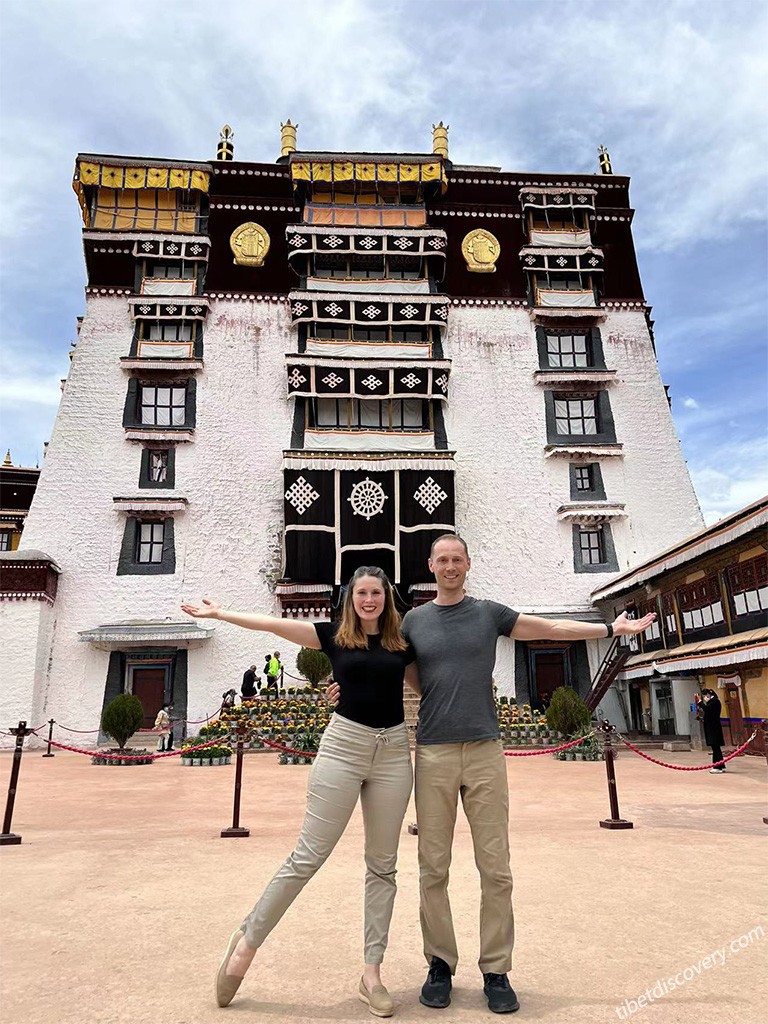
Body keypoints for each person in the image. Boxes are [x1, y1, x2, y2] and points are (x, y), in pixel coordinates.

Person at [331, 534, 655, 1014]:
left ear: (467, 563)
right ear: (431, 565)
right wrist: (343, 687)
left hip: (485, 749)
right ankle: (439, 963)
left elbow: (548, 627)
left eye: (457, 559)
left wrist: (609, 630)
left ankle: (496, 969)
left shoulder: (489, 614)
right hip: (436, 751)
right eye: (442, 560)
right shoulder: (415, 621)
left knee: (495, 867)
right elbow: (377, 657)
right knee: (432, 867)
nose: (449, 566)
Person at [181, 565, 417, 1018]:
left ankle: (372, 974)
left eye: (377, 593)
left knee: (383, 866)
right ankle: (246, 943)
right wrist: (221, 614)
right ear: (350, 597)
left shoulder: (401, 644)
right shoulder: (331, 636)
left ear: (387, 598)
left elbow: (428, 686)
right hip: (344, 746)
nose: (369, 600)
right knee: (308, 855)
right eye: (362, 593)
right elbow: (274, 624)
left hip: (392, 754)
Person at [699, 688, 726, 773]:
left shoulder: (715, 702)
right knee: (715, 748)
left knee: (716, 748)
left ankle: (717, 766)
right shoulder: (711, 702)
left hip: (714, 728)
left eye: (705, 695)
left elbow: (708, 709)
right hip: (711, 727)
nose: (705, 697)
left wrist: (700, 703)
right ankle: (720, 765)